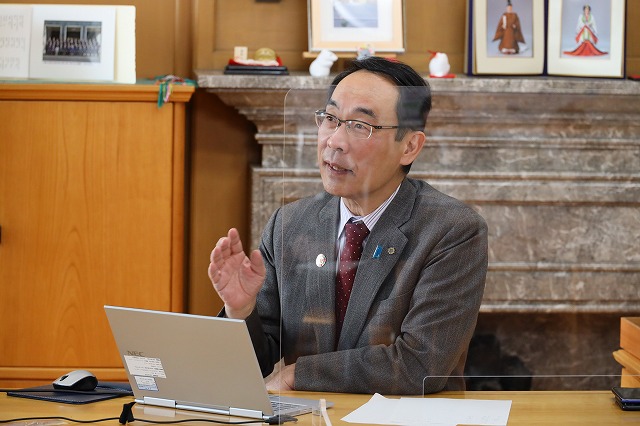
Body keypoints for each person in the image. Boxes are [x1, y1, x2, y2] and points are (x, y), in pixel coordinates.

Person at [208, 57, 488, 395]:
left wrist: (298, 375)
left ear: (409, 146)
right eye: (330, 119)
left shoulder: (451, 231)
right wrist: (241, 310)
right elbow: (258, 359)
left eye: (359, 125)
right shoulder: (291, 223)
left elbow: (419, 365)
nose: (335, 141)